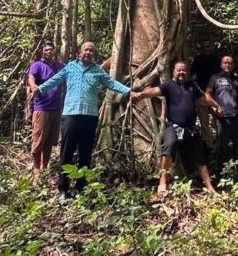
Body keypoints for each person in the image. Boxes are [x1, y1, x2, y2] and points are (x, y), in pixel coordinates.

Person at [33, 40, 133, 201]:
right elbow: (55, 79)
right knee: (66, 152)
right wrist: (40, 88)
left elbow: (111, 83)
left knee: (85, 153)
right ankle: (63, 189)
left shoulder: (98, 71)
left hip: (89, 116)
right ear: (80, 51)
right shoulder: (71, 67)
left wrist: (128, 91)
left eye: (91, 51)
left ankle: (81, 187)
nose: (88, 53)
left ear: (94, 54)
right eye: (86, 50)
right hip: (71, 115)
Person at [133, 61, 216, 195]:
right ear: (173, 71)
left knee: (200, 156)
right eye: (179, 70)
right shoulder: (168, 85)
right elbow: (154, 91)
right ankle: (163, 181)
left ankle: (210, 187)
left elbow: (204, 98)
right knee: (168, 147)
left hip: (190, 129)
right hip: (174, 126)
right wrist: (140, 94)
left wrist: (217, 106)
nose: (181, 72)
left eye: (184, 70)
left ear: (187, 72)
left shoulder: (192, 86)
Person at [27, 41, 65, 180]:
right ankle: (36, 169)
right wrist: (33, 86)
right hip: (42, 108)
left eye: (51, 50)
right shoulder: (37, 65)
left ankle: (44, 166)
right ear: (43, 52)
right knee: (38, 140)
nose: (49, 52)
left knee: (50, 140)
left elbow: (71, 71)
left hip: (56, 109)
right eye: (47, 50)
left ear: (54, 51)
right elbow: (31, 78)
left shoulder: (59, 66)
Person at [206, 54, 238, 176]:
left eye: (230, 63)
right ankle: (220, 173)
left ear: (233, 65)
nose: (227, 65)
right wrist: (216, 107)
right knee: (222, 145)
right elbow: (207, 95)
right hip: (223, 118)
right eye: (225, 63)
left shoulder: (236, 80)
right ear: (221, 64)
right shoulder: (215, 78)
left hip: (237, 117)